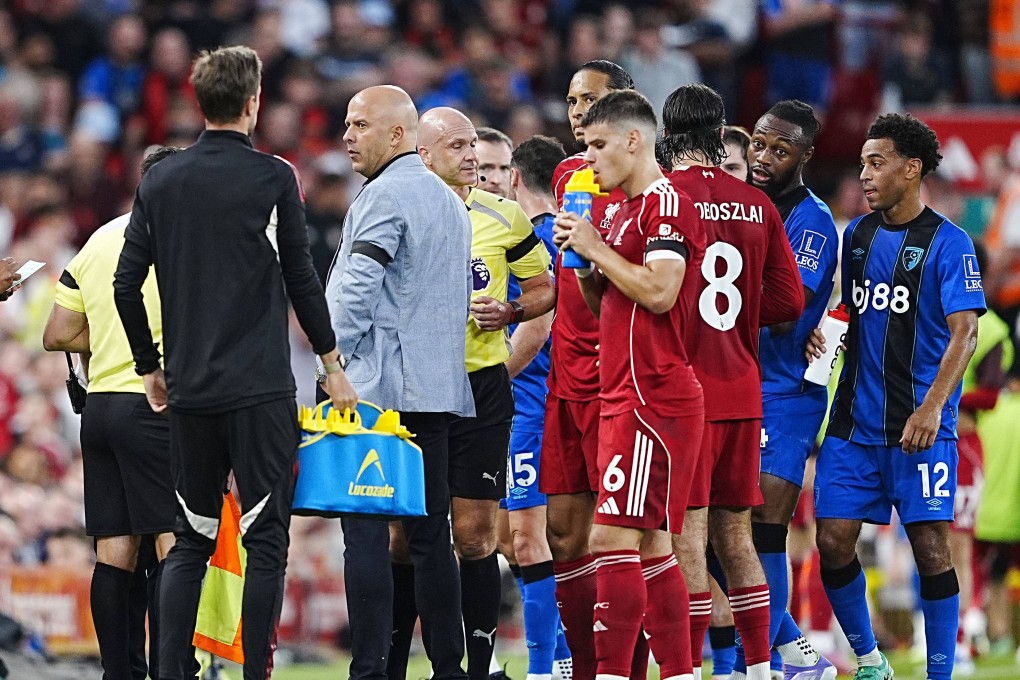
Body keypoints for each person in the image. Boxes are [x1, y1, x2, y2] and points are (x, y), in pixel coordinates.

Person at [113, 46, 357, 680]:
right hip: (259, 391)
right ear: (252, 103)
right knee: (265, 541)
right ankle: (254, 676)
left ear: (197, 102)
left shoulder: (160, 179)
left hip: (191, 392)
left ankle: (169, 673)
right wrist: (331, 362)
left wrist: (150, 366)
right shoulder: (274, 177)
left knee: (189, 543)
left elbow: (124, 282)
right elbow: (303, 279)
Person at [806, 113, 986, 680]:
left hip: (920, 430)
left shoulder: (951, 244)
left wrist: (932, 407)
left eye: (876, 162)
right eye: (862, 163)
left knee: (932, 549)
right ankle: (870, 661)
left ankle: (940, 672)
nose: (864, 174)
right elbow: (845, 312)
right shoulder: (855, 236)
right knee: (832, 542)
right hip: (852, 426)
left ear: (912, 169)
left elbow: (967, 332)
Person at [553, 88, 705, 680]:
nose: (588, 158)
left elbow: (662, 293)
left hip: (653, 395)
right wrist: (589, 264)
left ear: (633, 139)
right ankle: (680, 673)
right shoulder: (617, 210)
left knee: (608, 537)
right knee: (652, 548)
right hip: (624, 390)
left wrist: (597, 248)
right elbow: (606, 302)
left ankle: (613, 674)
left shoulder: (667, 204)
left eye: (597, 144)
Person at [327, 84, 474, 680]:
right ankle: (448, 668)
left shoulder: (382, 197)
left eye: (359, 125)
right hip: (437, 393)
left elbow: (353, 294)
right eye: (346, 124)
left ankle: (369, 671)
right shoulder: (449, 202)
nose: (346, 136)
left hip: (377, 395)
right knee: (431, 539)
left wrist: (329, 364)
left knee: (363, 537)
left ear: (396, 135)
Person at [657, 83, 804, 680]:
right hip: (744, 389)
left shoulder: (664, 197)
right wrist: (742, 315)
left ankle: (689, 669)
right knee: (737, 539)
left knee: (687, 541)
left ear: (668, 140)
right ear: (721, 138)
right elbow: (789, 300)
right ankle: (762, 669)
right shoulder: (758, 205)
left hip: (685, 393)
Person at [403, 106, 554, 680]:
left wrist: (511, 310)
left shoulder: (504, 215)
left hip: (484, 388)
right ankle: (439, 665)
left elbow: (545, 290)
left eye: (477, 147)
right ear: (423, 155)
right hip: (419, 388)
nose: (473, 159)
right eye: (460, 147)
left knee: (476, 538)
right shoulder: (401, 213)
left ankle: (482, 666)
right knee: (418, 534)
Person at [43, 146, 180, 680]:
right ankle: (173, 669)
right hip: (155, 405)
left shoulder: (99, 239)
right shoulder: (180, 241)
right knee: (174, 543)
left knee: (113, 551)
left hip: (100, 408)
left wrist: (107, 342)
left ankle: (118, 673)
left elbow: (56, 335)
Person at [543, 60, 637, 680]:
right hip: (566, 373)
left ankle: (626, 670)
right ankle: (583, 668)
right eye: (573, 100)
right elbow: (561, 276)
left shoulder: (644, 185)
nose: (577, 111)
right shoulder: (567, 174)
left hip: (622, 378)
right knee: (561, 536)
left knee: (623, 542)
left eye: (591, 100)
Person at [749, 99, 840, 680]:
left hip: (784, 392)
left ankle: (789, 655)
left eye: (779, 150)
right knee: (716, 525)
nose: (763, 157)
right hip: (734, 382)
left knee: (763, 529)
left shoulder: (811, 221)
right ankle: (777, 651)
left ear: (805, 156)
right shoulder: (741, 204)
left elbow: (785, 312)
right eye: (759, 142)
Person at [495, 134, 573, 680]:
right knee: (505, 537)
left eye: (500, 170)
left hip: (531, 407)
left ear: (516, 177)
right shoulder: (567, 236)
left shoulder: (535, 239)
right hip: (529, 409)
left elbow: (537, 327)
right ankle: (565, 651)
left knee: (527, 539)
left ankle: (547, 667)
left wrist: (488, 384)